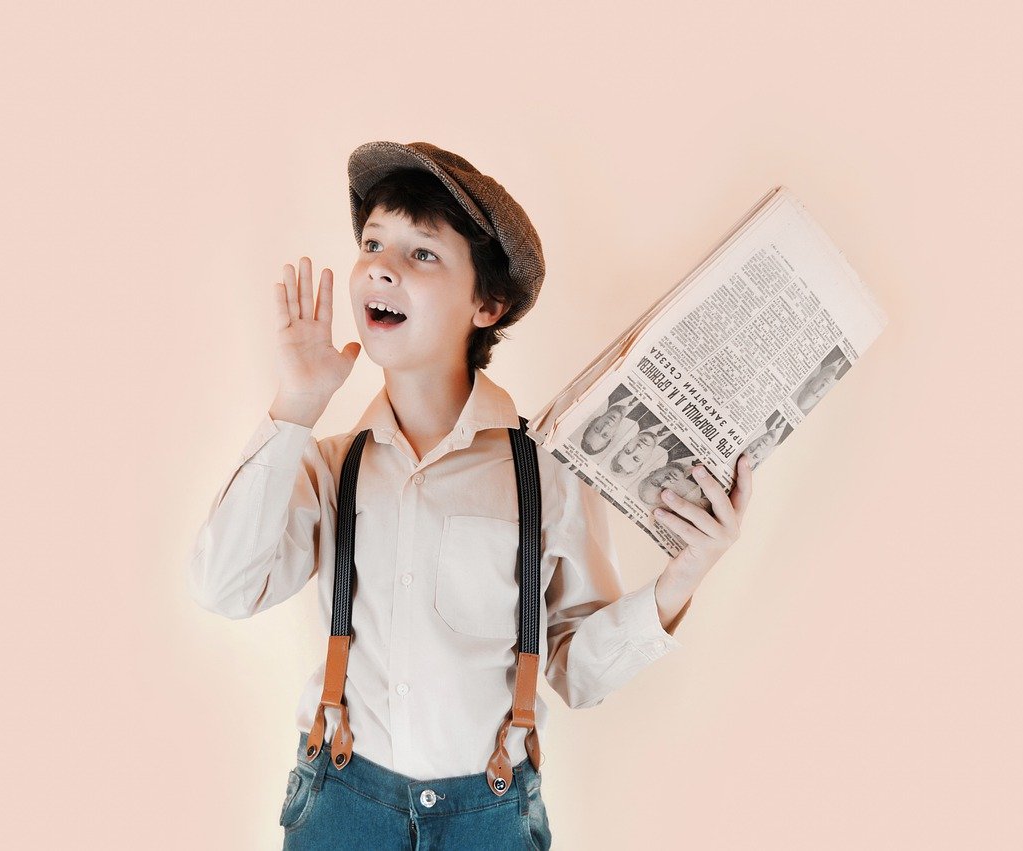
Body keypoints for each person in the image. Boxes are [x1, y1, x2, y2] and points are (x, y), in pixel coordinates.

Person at [186, 141, 754, 849]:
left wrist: (683, 577)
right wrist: (296, 405)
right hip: (340, 804)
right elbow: (222, 586)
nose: (384, 266)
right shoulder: (329, 467)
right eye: (373, 243)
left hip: (489, 815)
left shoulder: (546, 473)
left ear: (488, 303)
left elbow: (576, 670)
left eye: (423, 253)